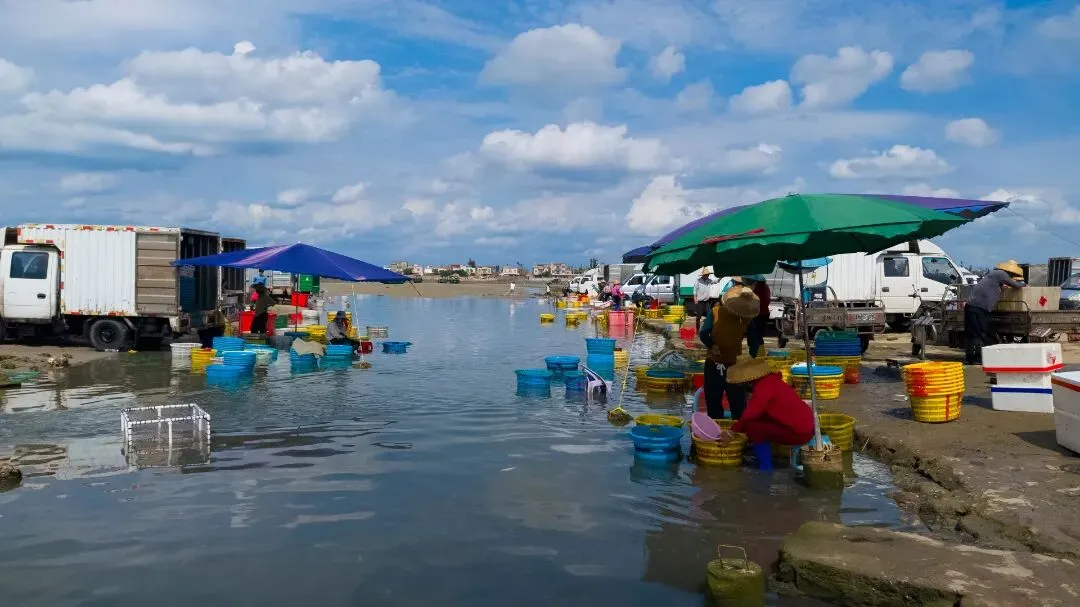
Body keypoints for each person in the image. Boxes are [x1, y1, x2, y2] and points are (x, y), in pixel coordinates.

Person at [718, 356, 815, 470]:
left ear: (748, 381)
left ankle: (765, 467)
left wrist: (731, 432)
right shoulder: (772, 381)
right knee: (755, 422)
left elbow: (751, 413)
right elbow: (759, 412)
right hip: (807, 426)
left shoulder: (763, 387)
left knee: (753, 428)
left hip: (799, 432)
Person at [699, 286, 759, 420]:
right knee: (737, 404)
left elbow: (703, 334)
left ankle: (716, 430)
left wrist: (711, 344)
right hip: (731, 365)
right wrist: (752, 362)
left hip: (720, 363)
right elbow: (754, 345)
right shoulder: (745, 318)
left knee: (714, 401)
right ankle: (739, 433)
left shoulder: (715, 312)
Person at [964, 260, 1025, 364]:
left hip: (973, 307)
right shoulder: (1001, 273)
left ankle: (970, 358)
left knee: (973, 333)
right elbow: (1016, 285)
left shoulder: (993, 276)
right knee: (979, 332)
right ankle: (976, 359)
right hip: (978, 308)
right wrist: (1024, 283)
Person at [741, 275, 772, 358]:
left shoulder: (756, 289)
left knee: (754, 336)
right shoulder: (766, 287)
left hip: (756, 315)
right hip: (764, 313)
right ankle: (760, 354)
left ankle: (755, 355)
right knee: (759, 336)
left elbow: (753, 301)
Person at [694, 267, 717, 332]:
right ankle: (697, 330)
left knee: (709, 315)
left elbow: (715, 281)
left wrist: (721, 278)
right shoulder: (698, 281)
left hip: (706, 301)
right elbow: (694, 291)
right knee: (699, 316)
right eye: (707, 274)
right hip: (700, 301)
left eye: (708, 274)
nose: (708, 275)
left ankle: (708, 329)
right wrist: (695, 299)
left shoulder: (708, 280)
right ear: (704, 275)